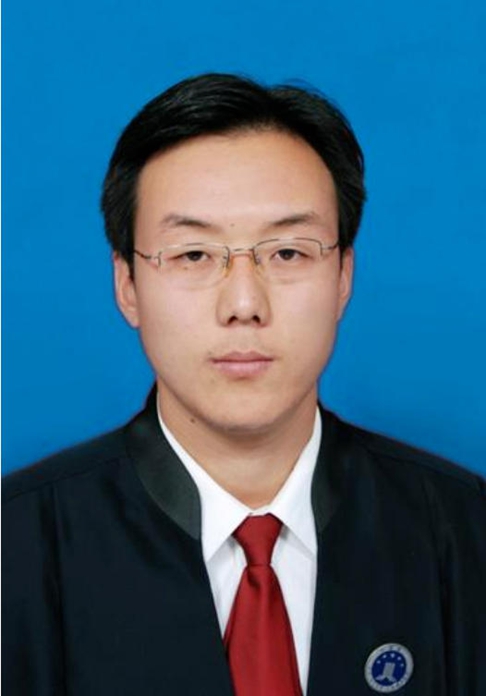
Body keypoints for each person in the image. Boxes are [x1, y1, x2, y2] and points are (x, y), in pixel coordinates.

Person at [2, 73, 485, 696]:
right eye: (193, 255)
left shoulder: (463, 531)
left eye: (287, 253)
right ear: (127, 285)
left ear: (343, 275)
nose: (244, 305)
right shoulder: (18, 547)